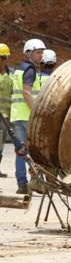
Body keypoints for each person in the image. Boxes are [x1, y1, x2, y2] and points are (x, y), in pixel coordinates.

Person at [11, 39, 45, 194]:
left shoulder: (19, 69)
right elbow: (26, 93)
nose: (41, 55)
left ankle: (22, 184)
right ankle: (37, 182)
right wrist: (36, 111)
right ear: (29, 53)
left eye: (42, 52)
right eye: (38, 52)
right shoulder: (30, 70)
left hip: (18, 115)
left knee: (20, 151)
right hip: (28, 117)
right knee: (37, 151)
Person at [0, 43, 12, 178]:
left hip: (5, 116)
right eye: (2, 57)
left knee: (0, 144)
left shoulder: (10, 76)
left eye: (5, 57)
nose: (4, 60)